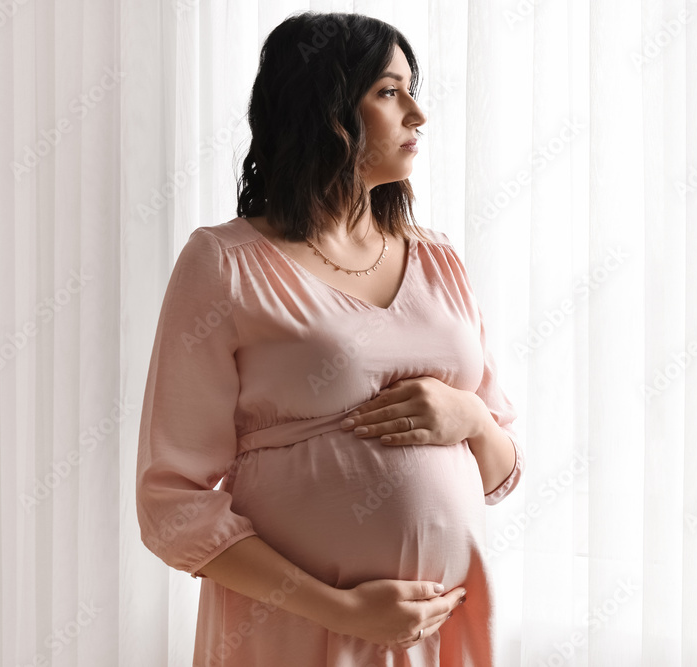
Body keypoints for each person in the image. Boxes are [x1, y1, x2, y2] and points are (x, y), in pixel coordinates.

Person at [134, 10, 524, 667]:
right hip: (294, 630)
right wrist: (343, 609)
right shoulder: (224, 262)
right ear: (325, 109)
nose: (419, 114)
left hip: (442, 627)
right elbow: (172, 504)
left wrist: (473, 418)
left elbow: (502, 471)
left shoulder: (439, 259)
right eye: (390, 92)